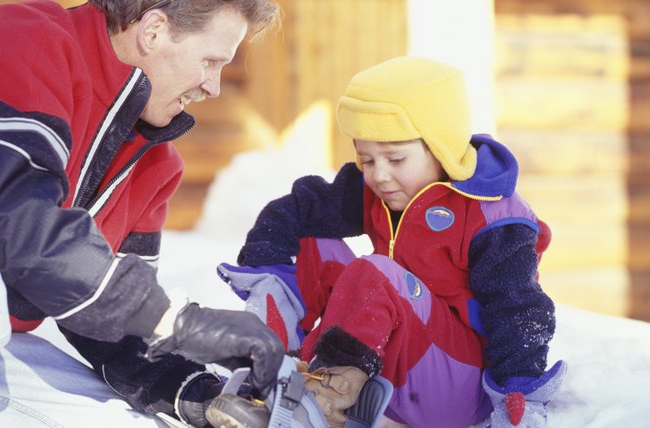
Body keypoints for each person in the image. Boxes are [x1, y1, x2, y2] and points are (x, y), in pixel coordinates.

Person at [0, 1, 284, 427]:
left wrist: (195, 389)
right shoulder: (15, 41)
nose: (213, 86)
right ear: (153, 29)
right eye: (210, 61)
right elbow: (11, 221)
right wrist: (182, 322)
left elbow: (112, 318)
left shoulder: (153, 164)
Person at [217, 56, 567, 427]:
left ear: (442, 148)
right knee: (313, 240)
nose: (379, 175)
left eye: (396, 158)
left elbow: (518, 309)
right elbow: (301, 207)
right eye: (366, 159)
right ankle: (277, 373)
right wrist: (266, 269)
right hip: (391, 364)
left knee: (378, 273)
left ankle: (325, 400)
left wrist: (518, 393)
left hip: (457, 388)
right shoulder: (381, 189)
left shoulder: (492, 215)